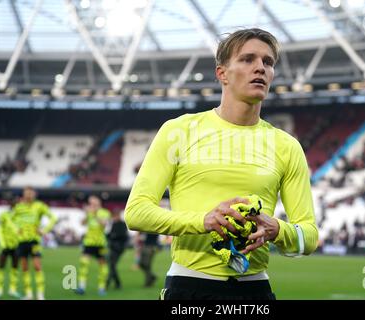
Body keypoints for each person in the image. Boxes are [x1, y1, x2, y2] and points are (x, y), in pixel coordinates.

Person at [125, 28, 318, 300]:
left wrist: (277, 229)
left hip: (255, 290)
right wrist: (204, 221)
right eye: (248, 59)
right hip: (189, 285)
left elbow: (308, 236)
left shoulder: (287, 146)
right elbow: (136, 212)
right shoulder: (179, 130)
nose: (260, 68)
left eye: (268, 62)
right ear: (222, 74)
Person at [12, 187, 57, 300]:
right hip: (22, 241)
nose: (29, 195)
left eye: (31, 193)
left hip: (34, 241)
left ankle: (40, 295)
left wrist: (44, 230)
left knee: (37, 266)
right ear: (23, 195)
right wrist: (16, 229)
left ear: (34, 194)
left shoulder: (39, 206)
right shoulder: (18, 207)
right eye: (26, 193)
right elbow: (11, 220)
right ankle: (29, 294)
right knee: (24, 267)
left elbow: (53, 218)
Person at [75, 195, 110, 296]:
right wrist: (87, 214)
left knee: (102, 265)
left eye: (93, 202)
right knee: (84, 263)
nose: (91, 205)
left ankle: (101, 288)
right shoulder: (89, 213)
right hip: (89, 242)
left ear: (98, 202)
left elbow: (103, 225)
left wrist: (95, 214)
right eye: (90, 203)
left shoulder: (104, 212)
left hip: (100, 243)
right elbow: (82, 223)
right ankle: (81, 287)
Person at [0, 197, 20, 299]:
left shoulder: (21, 215)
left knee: (15, 268)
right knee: (1, 267)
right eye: (13, 201)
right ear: (10, 203)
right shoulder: (4, 215)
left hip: (17, 245)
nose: (15, 203)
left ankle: (12, 289)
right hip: (5, 245)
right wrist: (2, 242)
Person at [106, 209, 128, 290]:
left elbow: (123, 236)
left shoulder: (122, 224)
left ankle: (107, 283)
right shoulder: (113, 224)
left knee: (112, 265)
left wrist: (113, 236)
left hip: (118, 248)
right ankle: (117, 283)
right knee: (112, 265)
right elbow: (109, 234)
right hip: (113, 247)